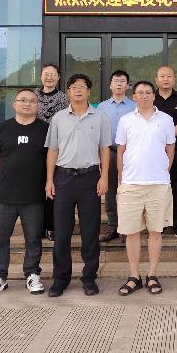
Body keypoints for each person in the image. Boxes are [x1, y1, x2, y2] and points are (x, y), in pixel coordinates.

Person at [45, 73, 111, 297]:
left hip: (90, 178)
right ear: (68, 92)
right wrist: (49, 179)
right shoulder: (58, 118)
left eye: (82, 87)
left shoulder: (100, 117)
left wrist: (104, 177)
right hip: (63, 179)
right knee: (61, 232)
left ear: (89, 91)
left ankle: (89, 278)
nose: (78, 90)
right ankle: (60, 279)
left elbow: (104, 149)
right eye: (73, 87)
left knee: (90, 232)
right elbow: (52, 150)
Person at [0, 88, 48, 297]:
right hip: (5, 195)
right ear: (14, 104)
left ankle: (32, 274)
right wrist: (7, 169)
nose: (27, 104)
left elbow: (51, 158)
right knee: (0, 238)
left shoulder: (46, 129)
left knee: (33, 238)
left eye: (32, 101)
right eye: (22, 100)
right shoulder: (3, 128)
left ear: (37, 105)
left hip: (34, 195)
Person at [115, 81, 177, 296]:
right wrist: (122, 180)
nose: (144, 96)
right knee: (131, 232)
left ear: (154, 95)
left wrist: (164, 171)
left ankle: (152, 275)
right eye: (140, 93)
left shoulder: (166, 120)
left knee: (155, 232)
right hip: (131, 184)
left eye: (148, 92)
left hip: (158, 185)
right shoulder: (125, 120)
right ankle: (134, 276)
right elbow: (120, 151)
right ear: (133, 96)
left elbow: (170, 149)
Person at [153, 66, 177, 241]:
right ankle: (158, 225)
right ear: (156, 79)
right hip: (156, 151)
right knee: (158, 189)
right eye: (162, 76)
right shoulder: (151, 98)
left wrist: (169, 137)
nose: (166, 79)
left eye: (169, 76)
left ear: (174, 79)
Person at [97, 70, 136, 242]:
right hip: (110, 152)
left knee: (129, 189)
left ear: (127, 85)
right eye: (116, 81)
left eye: (122, 81)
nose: (119, 84)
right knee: (111, 190)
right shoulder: (102, 107)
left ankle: (128, 228)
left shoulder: (135, 106)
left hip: (130, 153)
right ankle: (113, 226)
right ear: (110, 85)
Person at [36, 62, 69, 242]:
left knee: (53, 187)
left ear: (58, 77)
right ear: (41, 76)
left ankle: (52, 226)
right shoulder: (33, 96)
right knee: (36, 187)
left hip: (58, 148)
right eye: (46, 74)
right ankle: (37, 226)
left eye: (53, 74)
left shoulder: (64, 98)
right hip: (35, 147)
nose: (49, 77)